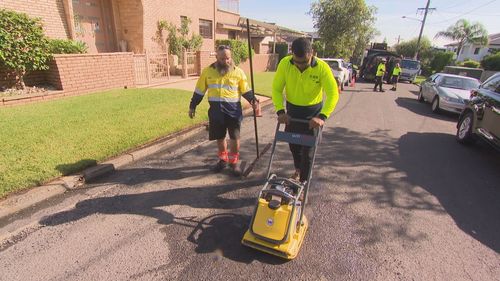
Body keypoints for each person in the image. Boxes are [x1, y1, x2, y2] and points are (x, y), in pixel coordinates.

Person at [272, 38, 339, 183]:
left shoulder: (322, 68)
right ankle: (298, 170)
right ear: (292, 54)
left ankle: (303, 184)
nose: (300, 65)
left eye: (304, 62)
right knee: (294, 147)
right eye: (297, 62)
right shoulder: (285, 64)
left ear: (312, 53)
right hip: (292, 114)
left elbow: (333, 93)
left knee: (308, 153)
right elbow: (276, 89)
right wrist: (280, 111)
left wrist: (322, 117)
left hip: (313, 116)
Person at [188, 45, 257, 176]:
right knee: (219, 138)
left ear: (231, 57)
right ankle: (223, 160)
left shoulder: (238, 72)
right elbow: (199, 91)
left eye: (228, 58)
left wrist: (253, 100)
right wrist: (192, 106)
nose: (225, 61)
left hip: (233, 112)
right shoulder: (207, 72)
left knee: (234, 138)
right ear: (216, 57)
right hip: (216, 112)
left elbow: (246, 90)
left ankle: (233, 163)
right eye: (222, 59)